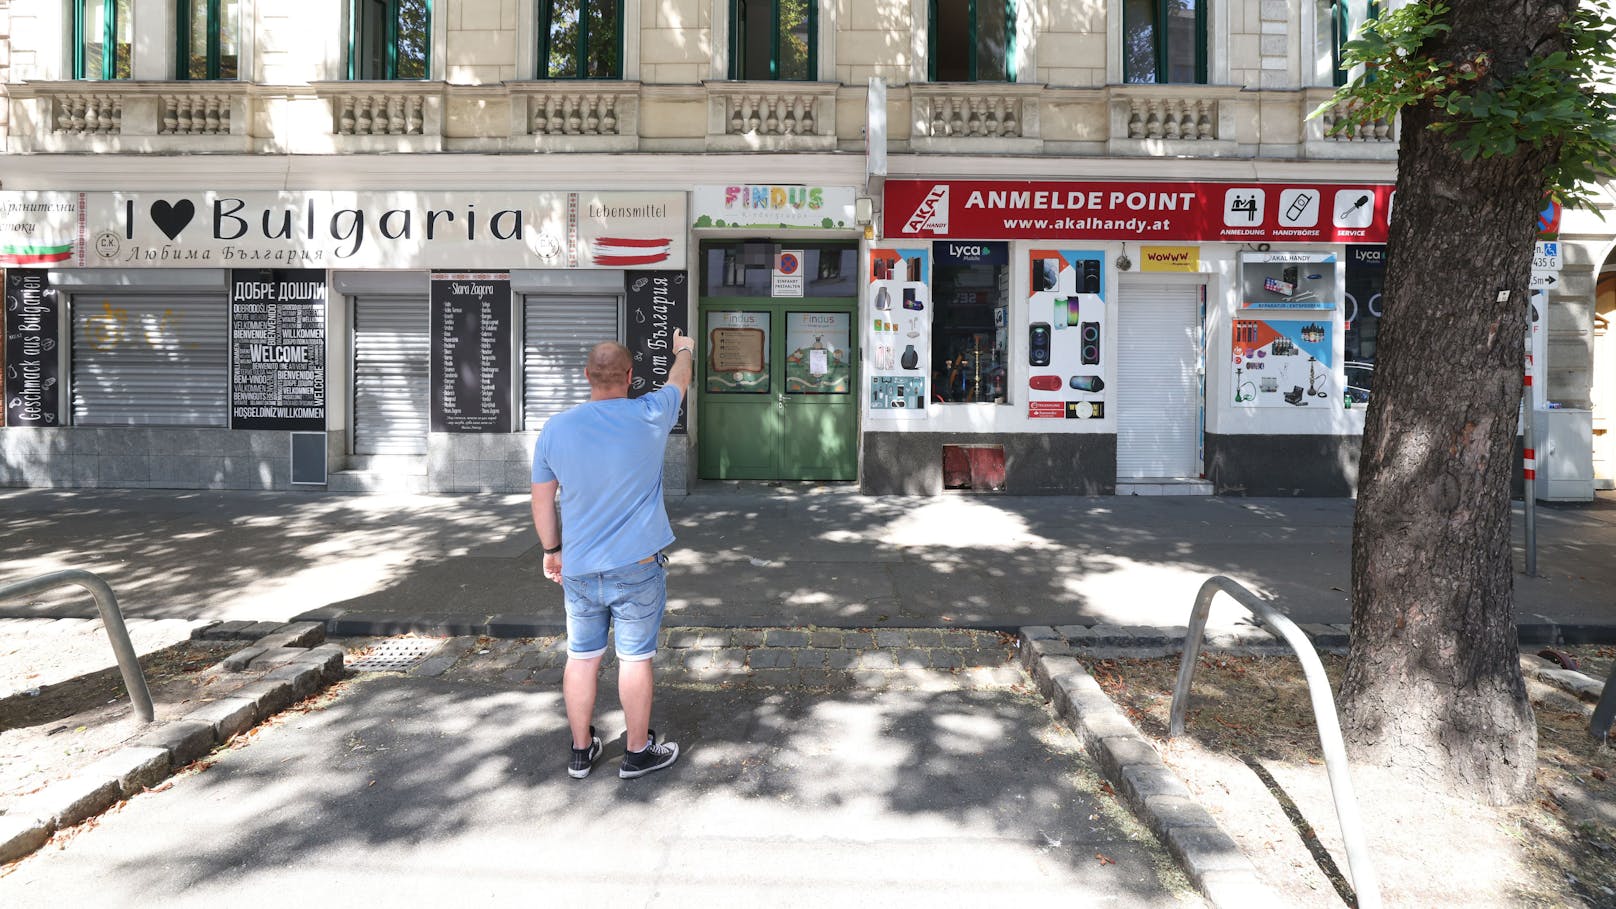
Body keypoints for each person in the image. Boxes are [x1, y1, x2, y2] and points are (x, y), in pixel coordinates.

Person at [530, 328, 696, 780]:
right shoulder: (650, 413)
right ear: (630, 375)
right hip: (638, 568)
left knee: (582, 657)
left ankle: (581, 752)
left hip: (580, 569)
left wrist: (552, 551)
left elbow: (542, 501)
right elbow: (680, 378)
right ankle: (637, 753)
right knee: (635, 657)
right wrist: (684, 349)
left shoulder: (556, 429)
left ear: (586, 376)